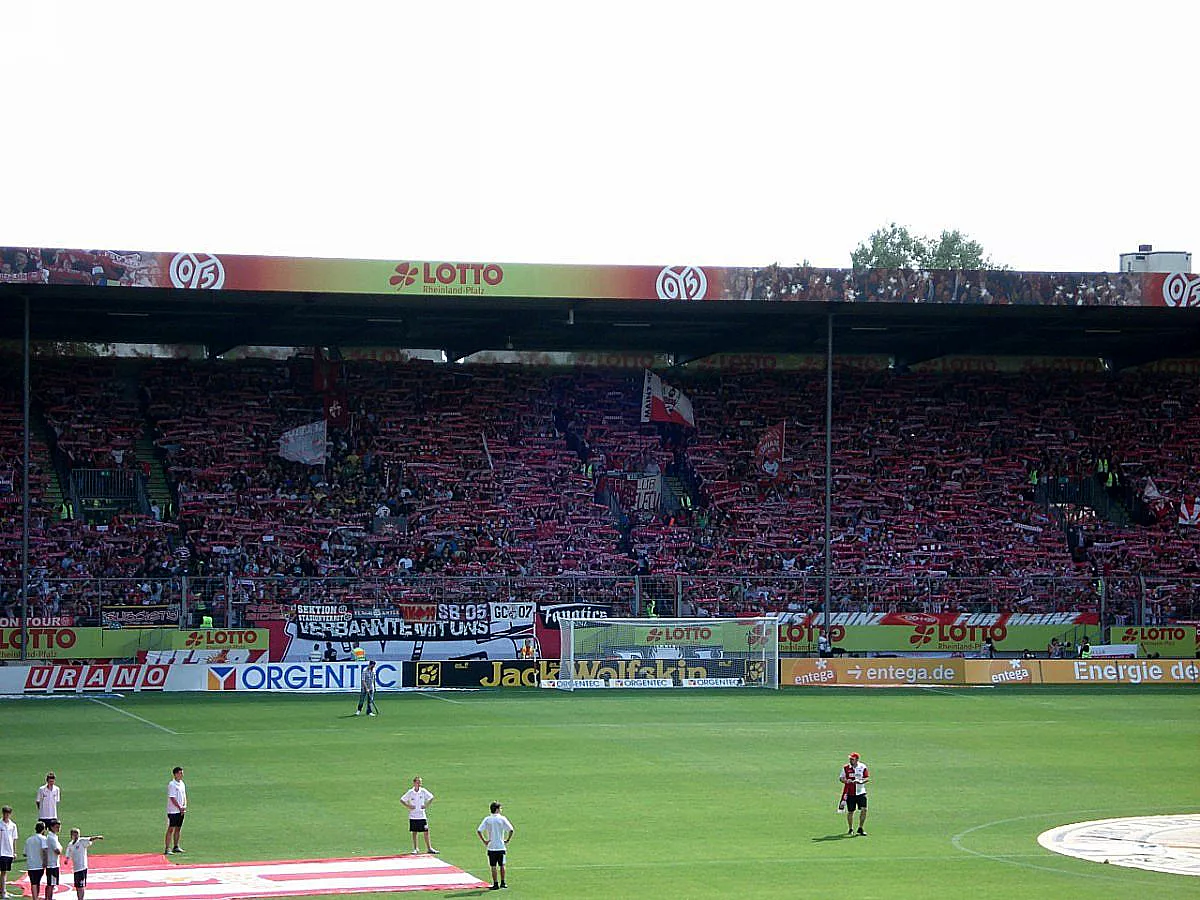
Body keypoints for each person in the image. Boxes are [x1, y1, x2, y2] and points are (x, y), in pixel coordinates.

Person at [477, 801, 514, 891]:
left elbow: (479, 830)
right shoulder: (502, 819)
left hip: (491, 846)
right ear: (497, 809)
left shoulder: (487, 819)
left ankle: (495, 883)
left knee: (493, 866)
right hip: (500, 846)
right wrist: (507, 840)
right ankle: (503, 882)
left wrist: (485, 841)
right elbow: (511, 830)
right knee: (502, 865)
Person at [400, 776, 437, 854]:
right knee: (414, 832)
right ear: (414, 783)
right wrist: (408, 806)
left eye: (420, 782)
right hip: (413, 816)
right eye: (418, 782)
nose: (419, 784)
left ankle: (429, 848)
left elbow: (431, 797)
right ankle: (416, 848)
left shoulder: (423, 791)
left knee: (426, 831)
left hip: (422, 815)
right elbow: (402, 800)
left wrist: (426, 805)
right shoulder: (410, 792)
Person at [65, 827, 103, 900]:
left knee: (81, 885)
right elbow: (68, 852)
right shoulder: (70, 844)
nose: (76, 836)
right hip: (76, 868)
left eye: (77, 834)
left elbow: (89, 839)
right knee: (77, 886)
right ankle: (79, 898)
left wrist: (97, 837)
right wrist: (67, 859)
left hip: (82, 867)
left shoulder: (81, 841)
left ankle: (81, 898)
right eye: (74, 834)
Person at [839, 753, 870, 836]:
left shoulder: (862, 767)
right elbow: (841, 778)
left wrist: (861, 781)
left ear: (857, 759)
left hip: (861, 792)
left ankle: (860, 828)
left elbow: (867, 778)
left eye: (852, 759)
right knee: (851, 811)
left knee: (864, 809)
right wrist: (846, 781)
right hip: (850, 793)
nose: (850, 760)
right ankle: (850, 828)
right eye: (850, 759)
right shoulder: (846, 768)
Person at [164, 767, 187, 854]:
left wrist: (184, 806)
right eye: (180, 773)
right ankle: (167, 848)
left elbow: (184, 795)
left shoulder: (182, 783)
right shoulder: (172, 784)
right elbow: (172, 798)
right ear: (176, 774)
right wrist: (179, 807)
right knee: (171, 828)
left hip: (181, 810)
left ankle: (176, 846)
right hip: (173, 811)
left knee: (178, 828)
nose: (182, 775)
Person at [23, 822, 46, 900]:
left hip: (31, 864)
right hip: (39, 864)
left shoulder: (29, 839)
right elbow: (45, 851)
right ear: (43, 829)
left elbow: (25, 853)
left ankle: (35, 897)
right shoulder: (43, 839)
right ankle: (36, 897)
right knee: (37, 882)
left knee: (33, 882)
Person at [43, 820, 63, 900]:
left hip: (53, 863)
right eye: (56, 827)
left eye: (59, 827)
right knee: (51, 884)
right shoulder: (51, 838)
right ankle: (48, 898)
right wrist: (61, 848)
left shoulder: (54, 837)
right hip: (52, 864)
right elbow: (58, 851)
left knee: (51, 883)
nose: (58, 829)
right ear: (51, 827)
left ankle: (47, 898)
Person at [0, 805, 17, 900]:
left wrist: (14, 852)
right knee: (3, 872)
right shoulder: (0, 824)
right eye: (4, 813)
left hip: (9, 851)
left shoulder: (13, 825)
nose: (6, 815)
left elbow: (14, 839)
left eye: (7, 813)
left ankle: (2, 890)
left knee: (4, 872)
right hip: (1, 852)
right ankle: (3, 892)